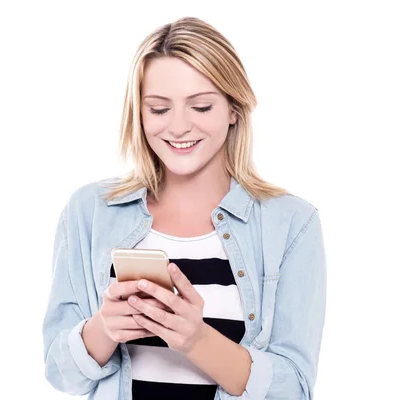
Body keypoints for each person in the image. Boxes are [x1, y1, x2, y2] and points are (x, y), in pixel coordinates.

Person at [42, 16, 327, 400]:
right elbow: (62, 376)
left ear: (233, 110)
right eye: (159, 109)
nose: (178, 127)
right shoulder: (89, 212)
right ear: (139, 115)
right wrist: (104, 328)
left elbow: (293, 390)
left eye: (201, 107)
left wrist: (197, 340)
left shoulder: (292, 224)